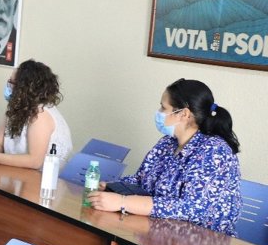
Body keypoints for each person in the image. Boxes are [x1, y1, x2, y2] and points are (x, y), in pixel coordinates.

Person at [88, 79, 242, 235]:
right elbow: (141, 180)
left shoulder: (214, 151)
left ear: (184, 114)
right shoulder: (167, 143)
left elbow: (190, 208)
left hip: (201, 240)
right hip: (156, 230)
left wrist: (123, 202)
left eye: (163, 107)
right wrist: (113, 187)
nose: (159, 112)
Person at [0, 60, 72, 168]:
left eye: (11, 83)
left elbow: (35, 161)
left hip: (41, 176)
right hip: (15, 172)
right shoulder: (15, 108)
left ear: (24, 88)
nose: (8, 86)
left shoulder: (41, 115)